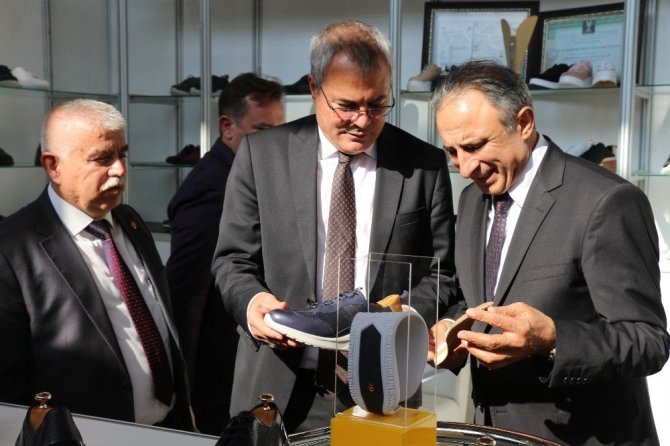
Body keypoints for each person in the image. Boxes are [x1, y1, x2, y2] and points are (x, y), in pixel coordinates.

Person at [211, 20, 457, 433]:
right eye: (347, 105)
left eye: (377, 104)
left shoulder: (423, 165)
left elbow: (442, 273)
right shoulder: (262, 155)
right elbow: (232, 261)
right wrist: (254, 305)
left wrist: (399, 318)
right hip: (277, 389)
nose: (362, 120)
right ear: (314, 87)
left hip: (384, 391)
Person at [429, 60, 670, 445]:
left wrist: (553, 339)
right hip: (491, 433)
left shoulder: (606, 201)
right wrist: (453, 330)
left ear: (524, 123)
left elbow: (647, 341)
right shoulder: (472, 200)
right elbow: (482, 298)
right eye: (452, 151)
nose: (465, 167)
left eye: (474, 146)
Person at [0, 99, 193, 430]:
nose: (119, 170)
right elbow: (8, 386)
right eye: (102, 158)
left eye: (122, 154)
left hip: (170, 427)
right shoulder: (12, 249)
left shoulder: (130, 222)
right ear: (53, 165)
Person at [166, 72, 284, 434]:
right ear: (227, 127)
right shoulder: (211, 189)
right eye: (262, 131)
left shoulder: (246, 175)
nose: (275, 143)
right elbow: (185, 292)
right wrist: (184, 388)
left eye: (279, 131)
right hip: (217, 369)